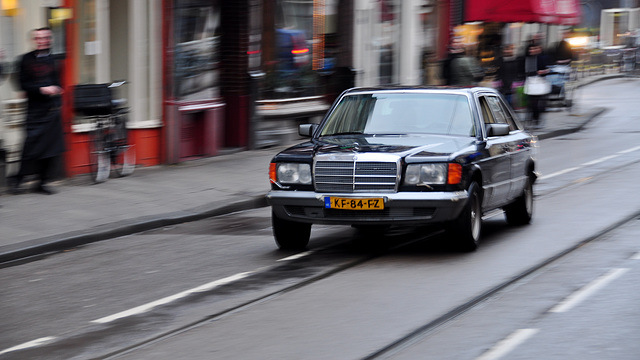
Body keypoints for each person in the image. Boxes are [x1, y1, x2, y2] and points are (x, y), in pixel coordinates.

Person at [8, 27, 65, 195]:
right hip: (34, 111)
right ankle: (17, 180)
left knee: (50, 149)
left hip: (51, 111)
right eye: (39, 38)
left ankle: (41, 182)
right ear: (34, 40)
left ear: (50, 40)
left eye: (46, 37)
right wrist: (43, 89)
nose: (43, 40)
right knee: (30, 147)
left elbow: (58, 82)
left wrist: (57, 93)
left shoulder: (55, 61)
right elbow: (22, 84)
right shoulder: (25, 60)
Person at [523, 42, 550, 128]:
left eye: (534, 49)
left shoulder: (540, 58)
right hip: (529, 82)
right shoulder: (525, 59)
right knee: (531, 103)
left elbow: (546, 69)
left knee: (537, 103)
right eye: (531, 49)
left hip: (538, 82)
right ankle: (532, 118)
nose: (532, 50)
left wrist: (543, 72)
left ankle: (536, 118)